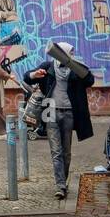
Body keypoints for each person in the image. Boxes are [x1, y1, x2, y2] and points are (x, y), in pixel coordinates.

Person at [26, 40, 95, 200]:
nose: (72, 55)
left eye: (72, 53)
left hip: (69, 113)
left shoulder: (75, 69)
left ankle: (62, 182)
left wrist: (74, 65)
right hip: (50, 111)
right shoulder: (48, 66)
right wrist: (33, 75)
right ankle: (60, 186)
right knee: (56, 152)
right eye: (69, 53)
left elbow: (90, 80)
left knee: (66, 152)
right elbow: (27, 78)